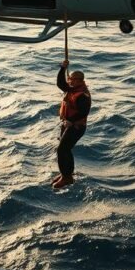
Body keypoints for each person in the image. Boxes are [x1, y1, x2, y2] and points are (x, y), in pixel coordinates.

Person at [51, 59, 91, 189]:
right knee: (65, 150)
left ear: (80, 81)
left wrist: (70, 121)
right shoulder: (72, 88)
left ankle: (66, 178)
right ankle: (66, 173)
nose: (70, 81)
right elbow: (60, 83)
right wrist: (63, 68)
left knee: (62, 150)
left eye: (73, 79)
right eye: (70, 79)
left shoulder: (82, 95)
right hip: (67, 124)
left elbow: (83, 112)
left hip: (76, 127)